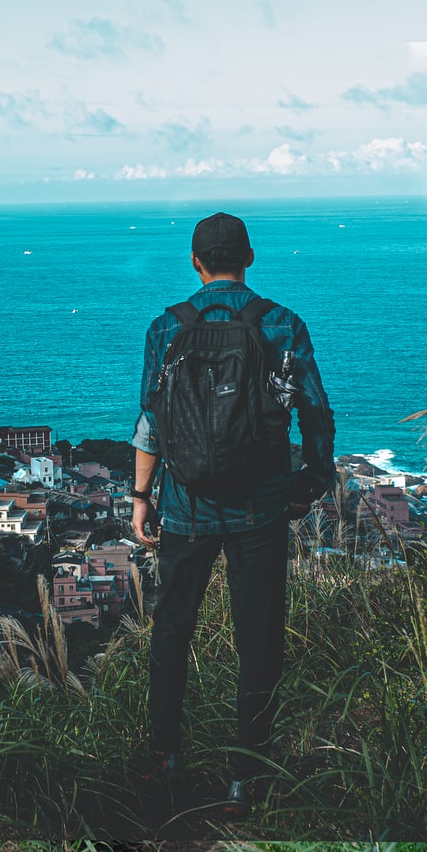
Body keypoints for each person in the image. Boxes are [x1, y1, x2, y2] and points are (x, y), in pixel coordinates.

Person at [130, 211, 335, 818]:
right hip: (261, 506)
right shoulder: (281, 323)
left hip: (185, 506)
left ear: (195, 262)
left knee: (172, 632)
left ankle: (165, 761)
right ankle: (247, 777)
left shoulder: (166, 327)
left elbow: (151, 423)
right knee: (259, 639)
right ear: (249, 257)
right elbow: (314, 411)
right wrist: (312, 480)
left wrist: (141, 498)